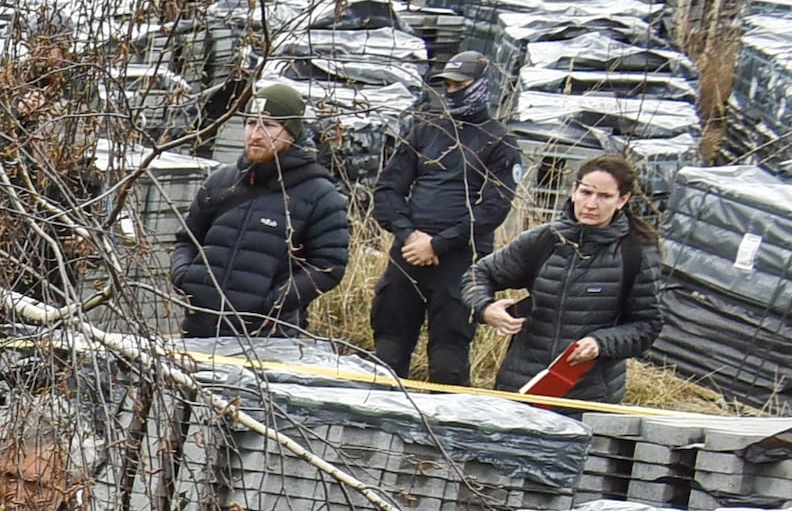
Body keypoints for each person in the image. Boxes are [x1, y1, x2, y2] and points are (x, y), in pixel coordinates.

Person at [364, 51, 517, 383]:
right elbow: (388, 190)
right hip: (408, 254)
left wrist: (439, 243)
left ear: (481, 86)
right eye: (447, 85)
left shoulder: (500, 142)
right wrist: (409, 235)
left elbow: (494, 207)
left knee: (448, 359)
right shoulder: (425, 130)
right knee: (387, 352)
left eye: (460, 84)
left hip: (460, 260)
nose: (452, 91)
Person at [477, 148, 674, 401]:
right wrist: (485, 309)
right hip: (521, 386)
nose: (591, 204)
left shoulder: (636, 252)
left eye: (604, 196)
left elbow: (647, 325)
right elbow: (478, 274)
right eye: (586, 192)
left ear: (622, 200)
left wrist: (602, 343)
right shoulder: (544, 239)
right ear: (574, 191)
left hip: (590, 396)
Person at [169, 86, 349, 340]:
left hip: (266, 338)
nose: (256, 134)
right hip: (199, 330)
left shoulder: (319, 194)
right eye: (251, 123)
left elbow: (329, 266)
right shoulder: (221, 181)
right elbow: (187, 239)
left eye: (269, 126)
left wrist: (272, 303)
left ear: (292, 133)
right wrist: (185, 277)